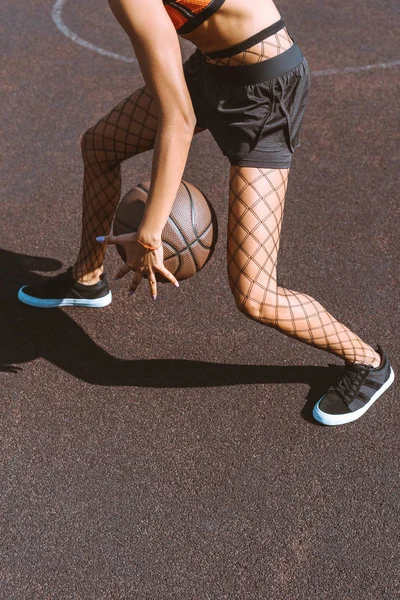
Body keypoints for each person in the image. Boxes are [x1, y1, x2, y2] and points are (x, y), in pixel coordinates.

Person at [18, 0, 394, 425]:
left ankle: (368, 362)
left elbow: (176, 119)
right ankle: (86, 279)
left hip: (266, 91)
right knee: (100, 146)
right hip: (212, 70)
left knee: (256, 297)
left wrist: (149, 234)